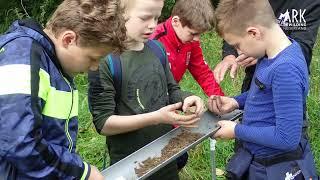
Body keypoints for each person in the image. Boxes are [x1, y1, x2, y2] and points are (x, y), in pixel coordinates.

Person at [0, 0, 127, 179]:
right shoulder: (22, 57)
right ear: (68, 39)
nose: (94, 67)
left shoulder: (55, 64)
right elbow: (19, 143)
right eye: (93, 58)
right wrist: (80, 172)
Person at [88, 0, 204, 179]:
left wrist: (187, 99)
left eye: (157, 17)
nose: (152, 25)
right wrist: (156, 118)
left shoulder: (157, 49)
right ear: (119, 14)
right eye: (145, 18)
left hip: (167, 154)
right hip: (131, 165)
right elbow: (103, 124)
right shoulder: (105, 60)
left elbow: (172, 90)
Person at [208, 0, 318, 179]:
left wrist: (236, 130)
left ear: (254, 33)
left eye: (237, 45)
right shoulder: (270, 55)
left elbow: (287, 138)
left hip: (277, 166)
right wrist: (236, 102)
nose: (238, 51)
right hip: (259, 160)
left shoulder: (285, 68)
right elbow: (264, 92)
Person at [150, 0, 224, 97]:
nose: (197, 39)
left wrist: (220, 99)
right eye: (193, 34)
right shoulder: (153, 41)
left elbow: (203, 73)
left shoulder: (190, 42)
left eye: (199, 35)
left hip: (171, 95)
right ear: (176, 22)